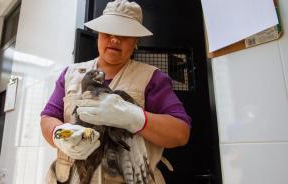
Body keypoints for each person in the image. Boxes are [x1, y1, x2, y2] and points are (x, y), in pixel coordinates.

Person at [40, 0, 191, 183]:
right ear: (98, 35)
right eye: (107, 32)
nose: (114, 39)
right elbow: (48, 117)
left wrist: (134, 117)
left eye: (124, 34)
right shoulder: (70, 74)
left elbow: (180, 133)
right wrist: (60, 134)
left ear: (136, 41)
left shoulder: (152, 78)